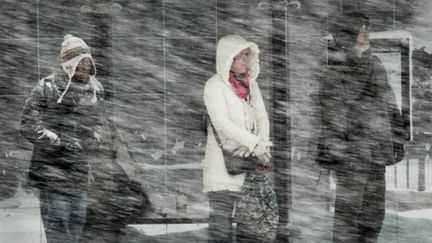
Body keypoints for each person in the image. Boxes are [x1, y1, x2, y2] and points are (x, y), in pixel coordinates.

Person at [317, 13, 406, 242]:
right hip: (352, 153)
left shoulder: (374, 63)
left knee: (374, 212)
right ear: (348, 35)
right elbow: (331, 111)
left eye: (367, 28)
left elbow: (389, 101)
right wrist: (344, 146)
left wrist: (397, 135)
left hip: (377, 150)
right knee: (349, 214)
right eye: (361, 29)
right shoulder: (335, 69)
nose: (366, 32)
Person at [20, 34, 105, 243]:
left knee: (76, 228)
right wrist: (57, 140)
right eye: (80, 62)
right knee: (59, 231)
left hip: (79, 174)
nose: (86, 66)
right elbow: (28, 122)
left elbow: (101, 123)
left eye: (88, 61)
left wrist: (93, 138)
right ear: (69, 64)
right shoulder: (46, 87)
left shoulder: (96, 89)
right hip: (52, 175)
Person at [203, 35, 272, 243]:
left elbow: (262, 117)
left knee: (251, 227)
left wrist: (262, 143)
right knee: (221, 225)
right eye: (239, 56)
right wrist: (254, 143)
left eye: (246, 55)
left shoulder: (252, 85)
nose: (244, 59)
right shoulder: (214, 85)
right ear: (227, 59)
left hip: (248, 166)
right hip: (223, 167)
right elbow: (222, 123)